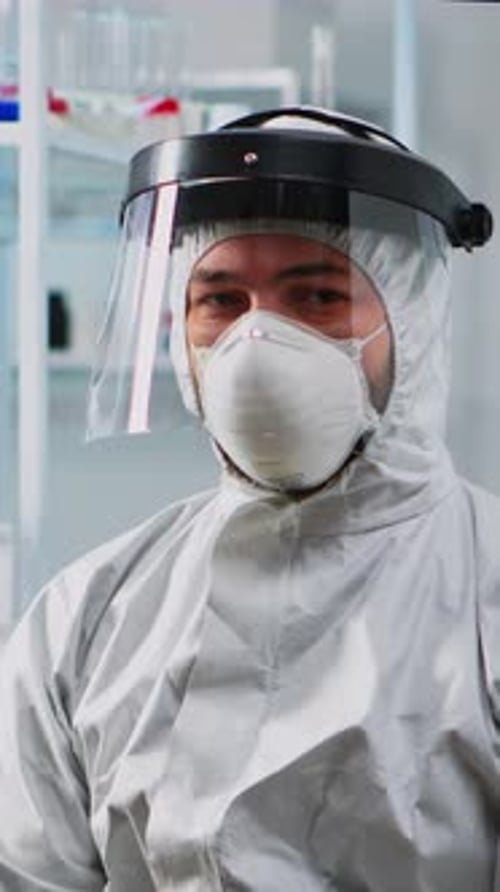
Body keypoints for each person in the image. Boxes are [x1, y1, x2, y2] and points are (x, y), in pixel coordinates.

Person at [0, 105, 498, 891]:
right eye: (222, 301)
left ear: (411, 320)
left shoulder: (484, 599)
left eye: (318, 297)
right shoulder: (87, 618)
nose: (257, 346)